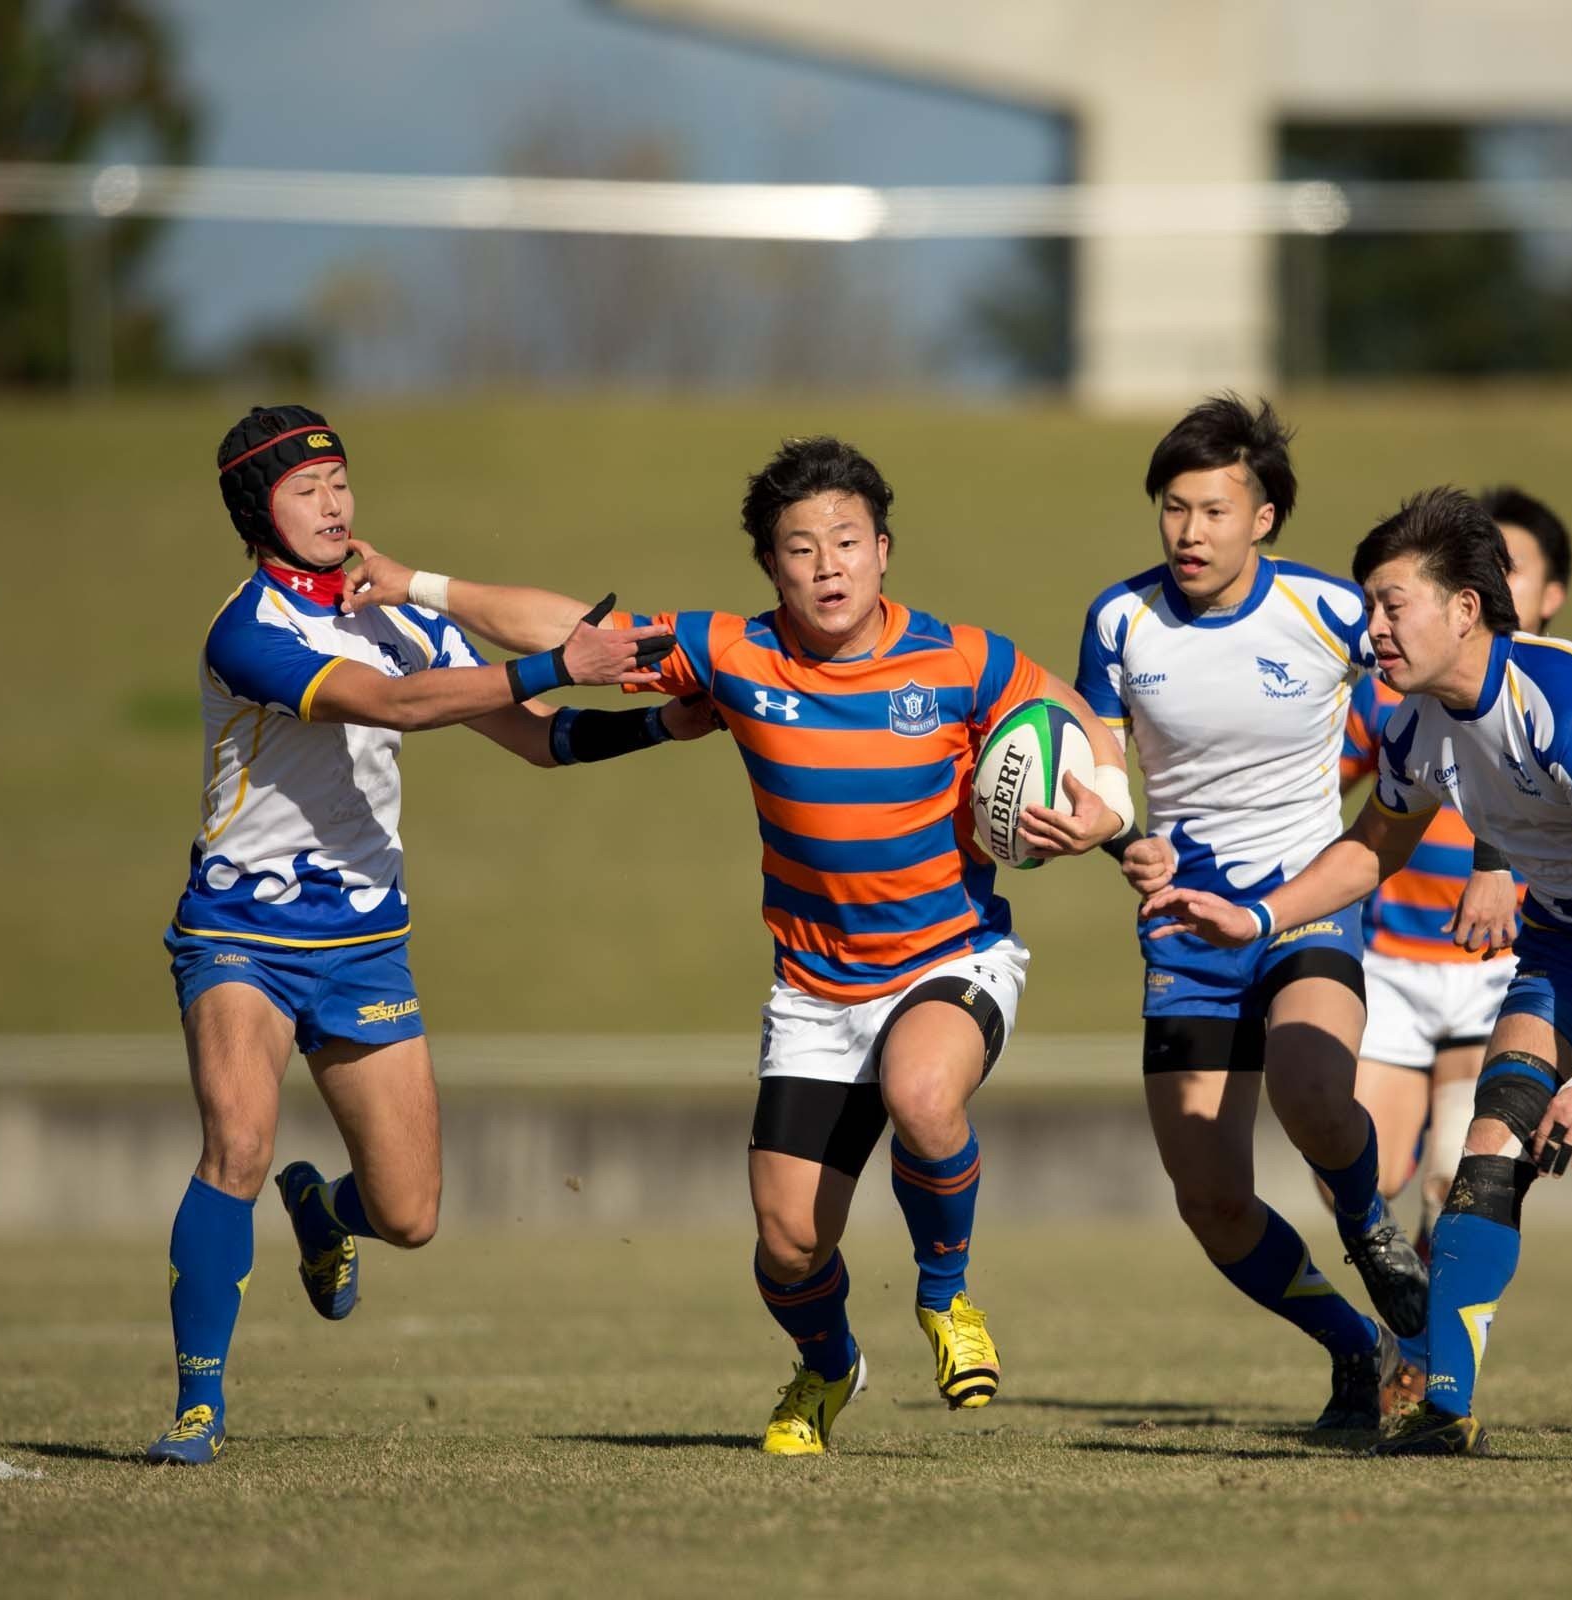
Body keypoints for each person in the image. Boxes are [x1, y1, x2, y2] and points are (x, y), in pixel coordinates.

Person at [352, 435, 1130, 1456]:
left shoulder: (964, 658)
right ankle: (826, 1364)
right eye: (800, 548)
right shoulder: (731, 654)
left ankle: (947, 1298)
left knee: (923, 1093)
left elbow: (1078, 714)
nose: (827, 565)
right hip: (816, 988)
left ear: (885, 550)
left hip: (953, 953)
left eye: (847, 541)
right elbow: (576, 635)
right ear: (770, 566)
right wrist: (414, 582)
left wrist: (1106, 807)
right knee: (790, 1243)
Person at [1146, 487, 1572, 1458]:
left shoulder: (1569, 701)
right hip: (1566, 935)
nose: (1374, 628)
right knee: (1493, 1146)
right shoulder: (1413, 725)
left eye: (1393, 604)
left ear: (1465, 608)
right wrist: (1257, 913)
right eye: (1370, 605)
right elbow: (1370, 849)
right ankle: (1447, 1401)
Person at [149, 405, 691, 1465]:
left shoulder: (395, 613)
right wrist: (556, 663)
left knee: (408, 1214)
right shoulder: (246, 630)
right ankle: (196, 1407)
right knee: (238, 1144)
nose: (333, 503)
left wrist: (660, 721)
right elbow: (393, 708)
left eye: (341, 481)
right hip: (240, 935)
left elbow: (539, 740)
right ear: (257, 511)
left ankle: (323, 1208)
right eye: (306, 490)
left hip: (364, 944)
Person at [1072, 395, 1425, 1432]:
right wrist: (1106, 832)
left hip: (1303, 907)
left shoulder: (1331, 612)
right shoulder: (1118, 619)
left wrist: (1467, 844)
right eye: (1174, 509)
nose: (1189, 531)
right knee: (1211, 1199)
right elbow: (1100, 765)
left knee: (1316, 1091)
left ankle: (1371, 1230)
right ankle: (1355, 1346)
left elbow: (1437, 717)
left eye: (1214, 510)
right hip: (1186, 927)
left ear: (1263, 516)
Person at [1335, 487, 1567, 1413]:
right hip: (1396, 960)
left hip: (1491, 971)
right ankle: (1410, 1328)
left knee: (1452, 1180)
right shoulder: (1400, 703)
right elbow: (1350, 802)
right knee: (1363, 1173)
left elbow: (1523, 793)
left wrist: (1496, 865)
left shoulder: (1553, 688)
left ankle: (1431, 1360)